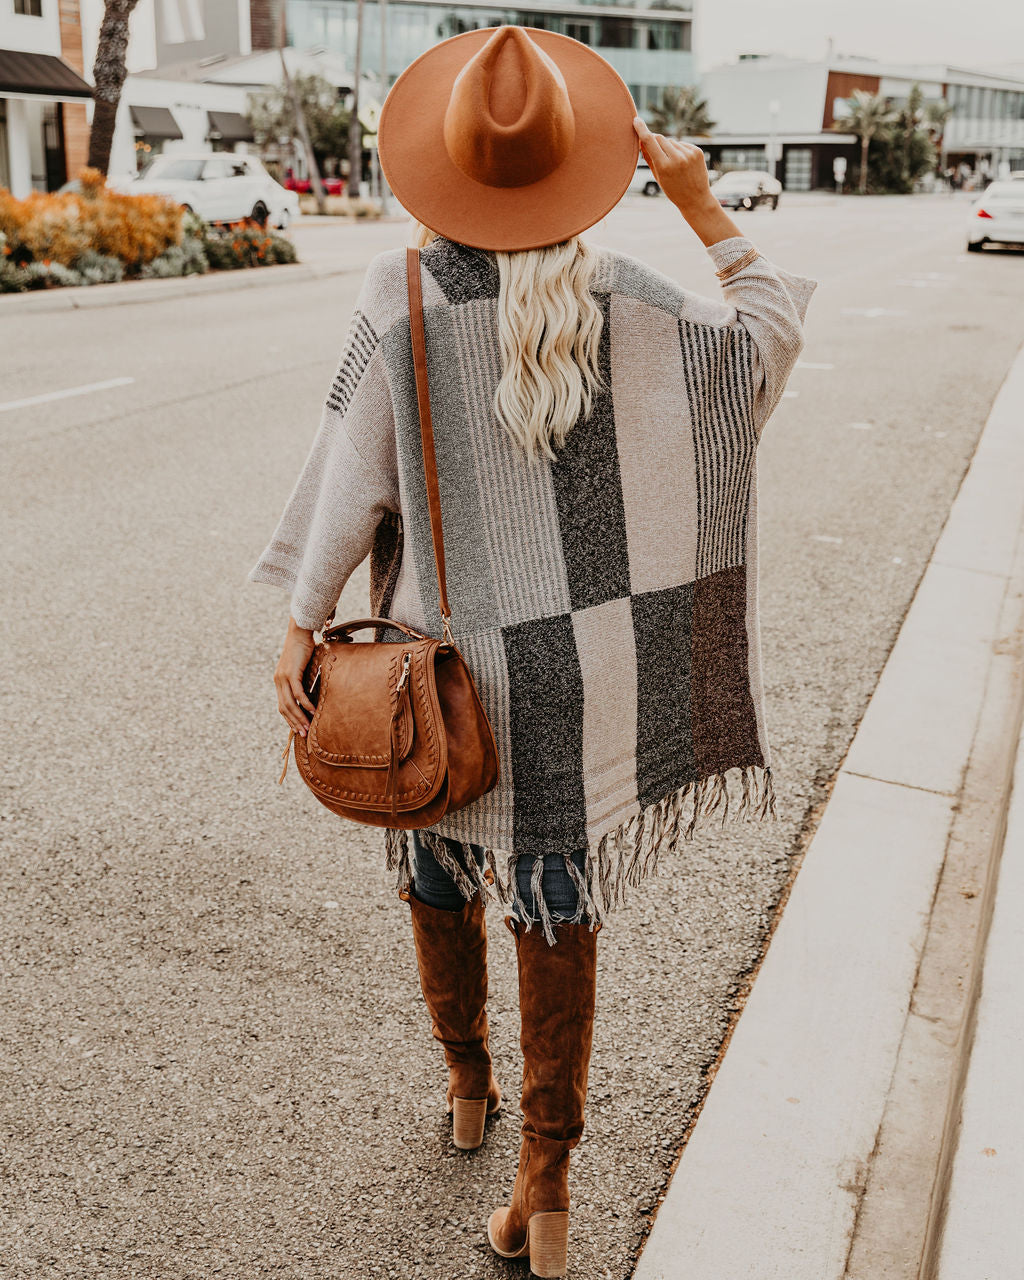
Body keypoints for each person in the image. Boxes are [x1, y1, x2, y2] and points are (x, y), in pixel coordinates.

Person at [249, 24, 817, 1278]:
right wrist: (698, 202)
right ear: (577, 163)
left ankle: (468, 1084)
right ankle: (545, 1184)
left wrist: (301, 620)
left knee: (434, 853)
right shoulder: (631, 297)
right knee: (556, 896)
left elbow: (346, 475)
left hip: (441, 671)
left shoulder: (397, 294)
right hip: (579, 672)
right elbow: (764, 341)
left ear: (446, 162)